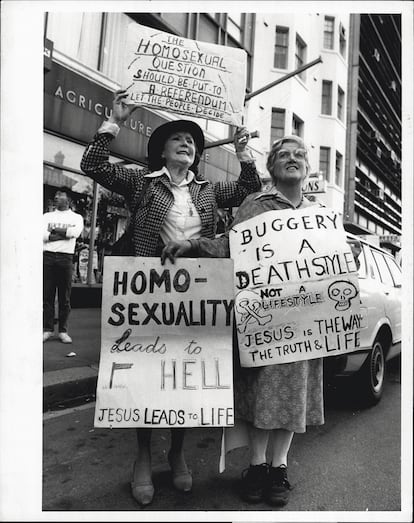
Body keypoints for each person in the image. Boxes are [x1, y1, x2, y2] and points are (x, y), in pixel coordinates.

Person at [80, 89, 261, 506]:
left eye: (192, 142)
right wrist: (115, 120)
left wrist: (242, 150)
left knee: (186, 379)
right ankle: (143, 456)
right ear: (161, 150)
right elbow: (91, 164)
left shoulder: (207, 191)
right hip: (149, 295)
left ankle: (177, 454)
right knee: (147, 378)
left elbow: (248, 188)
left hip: (199, 297)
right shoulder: (141, 184)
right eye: (178, 139)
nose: (187, 144)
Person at [162, 134, 361, 507]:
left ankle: (278, 468)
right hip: (263, 322)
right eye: (283, 155)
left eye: (299, 154)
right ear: (272, 167)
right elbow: (230, 245)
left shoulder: (317, 216)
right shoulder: (255, 204)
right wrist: (192, 245)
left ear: (307, 167)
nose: (292, 159)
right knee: (260, 396)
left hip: (305, 325)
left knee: (293, 398)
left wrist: (344, 254)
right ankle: (256, 467)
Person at [43, 190, 84, 343]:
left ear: (69, 200)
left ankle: (62, 331)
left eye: (60, 195)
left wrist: (53, 231)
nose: (56, 197)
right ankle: (47, 329)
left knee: (64, 297)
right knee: (47, 295)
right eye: (56, 195)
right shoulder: (47, 216)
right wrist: (65, 234)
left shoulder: (76, 217)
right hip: (47, 256)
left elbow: (76, 232)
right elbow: (41, 235)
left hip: (65, 257)